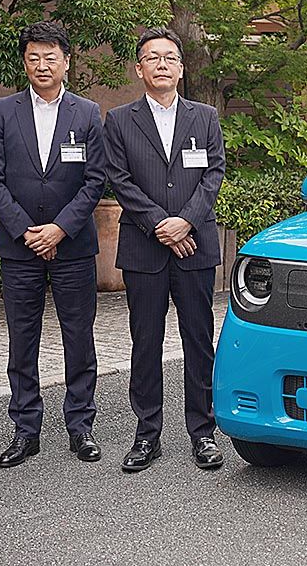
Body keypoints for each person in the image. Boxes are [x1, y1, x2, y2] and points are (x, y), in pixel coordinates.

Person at [0, 21, 107, 468]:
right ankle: (25, 430)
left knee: (79, 337)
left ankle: (81, 426)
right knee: (22, 340)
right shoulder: (2, 111)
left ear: (66, 62)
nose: (42, 65)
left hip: (73, 247)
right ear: (24, 63)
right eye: (33, 57)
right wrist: (27, 231)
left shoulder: (87, 113)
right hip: (19, 248)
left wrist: (59, 229)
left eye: (50, 57)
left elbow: (95, 180)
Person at [104, 26, 226, 472]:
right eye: (152, 58)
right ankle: (146, 434)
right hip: (145, 247)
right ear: (139, 69)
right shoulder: (119, 120)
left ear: (181, 68)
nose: (162, 64)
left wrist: (185, 221)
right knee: (145, 343)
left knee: (199, 341)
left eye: (170, 58)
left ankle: (203, 432)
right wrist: (160, 224)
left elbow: (213, 173)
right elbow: (118, 178)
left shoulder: (205, 116)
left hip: (196, 245)